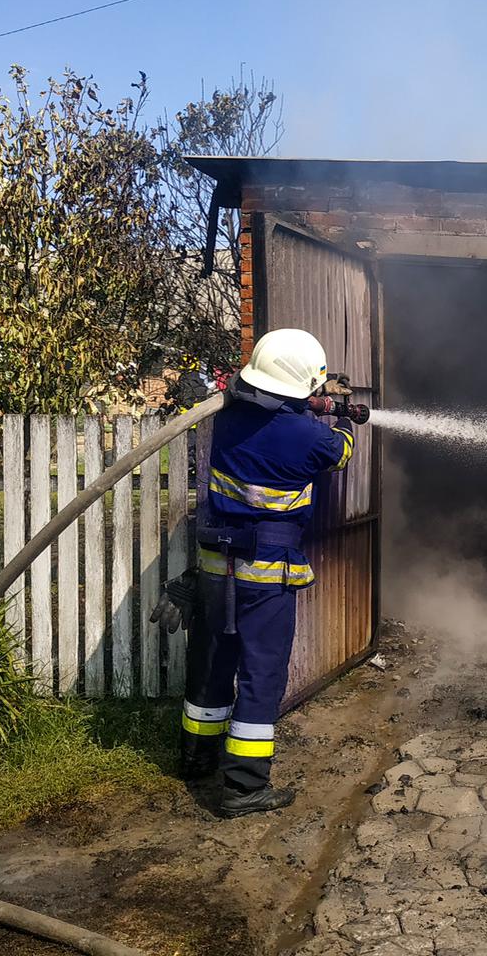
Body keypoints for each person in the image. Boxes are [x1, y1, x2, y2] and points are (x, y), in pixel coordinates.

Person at [151, 328, 356, 818]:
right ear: (302, 384)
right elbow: (340, 452)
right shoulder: (310, 436)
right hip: (266, 578)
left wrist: (309, 405)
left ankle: (195, 758)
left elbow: (266, 415)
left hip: (215, 570)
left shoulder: (223, 418)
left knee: (212, 667)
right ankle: (243, 788)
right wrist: (341, 416)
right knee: (262, 676)